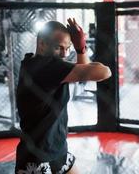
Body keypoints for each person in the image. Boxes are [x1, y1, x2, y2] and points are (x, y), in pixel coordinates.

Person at [15, 18, 111, 174]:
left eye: (68, 48)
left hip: (57, 150)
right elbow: (104, 72)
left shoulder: (32, 62)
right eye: (59, 47)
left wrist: (80, 50)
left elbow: (84, 73)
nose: (64, 54)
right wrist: (81, 50)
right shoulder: (47, 67)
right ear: (42, 44)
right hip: (36, 160)